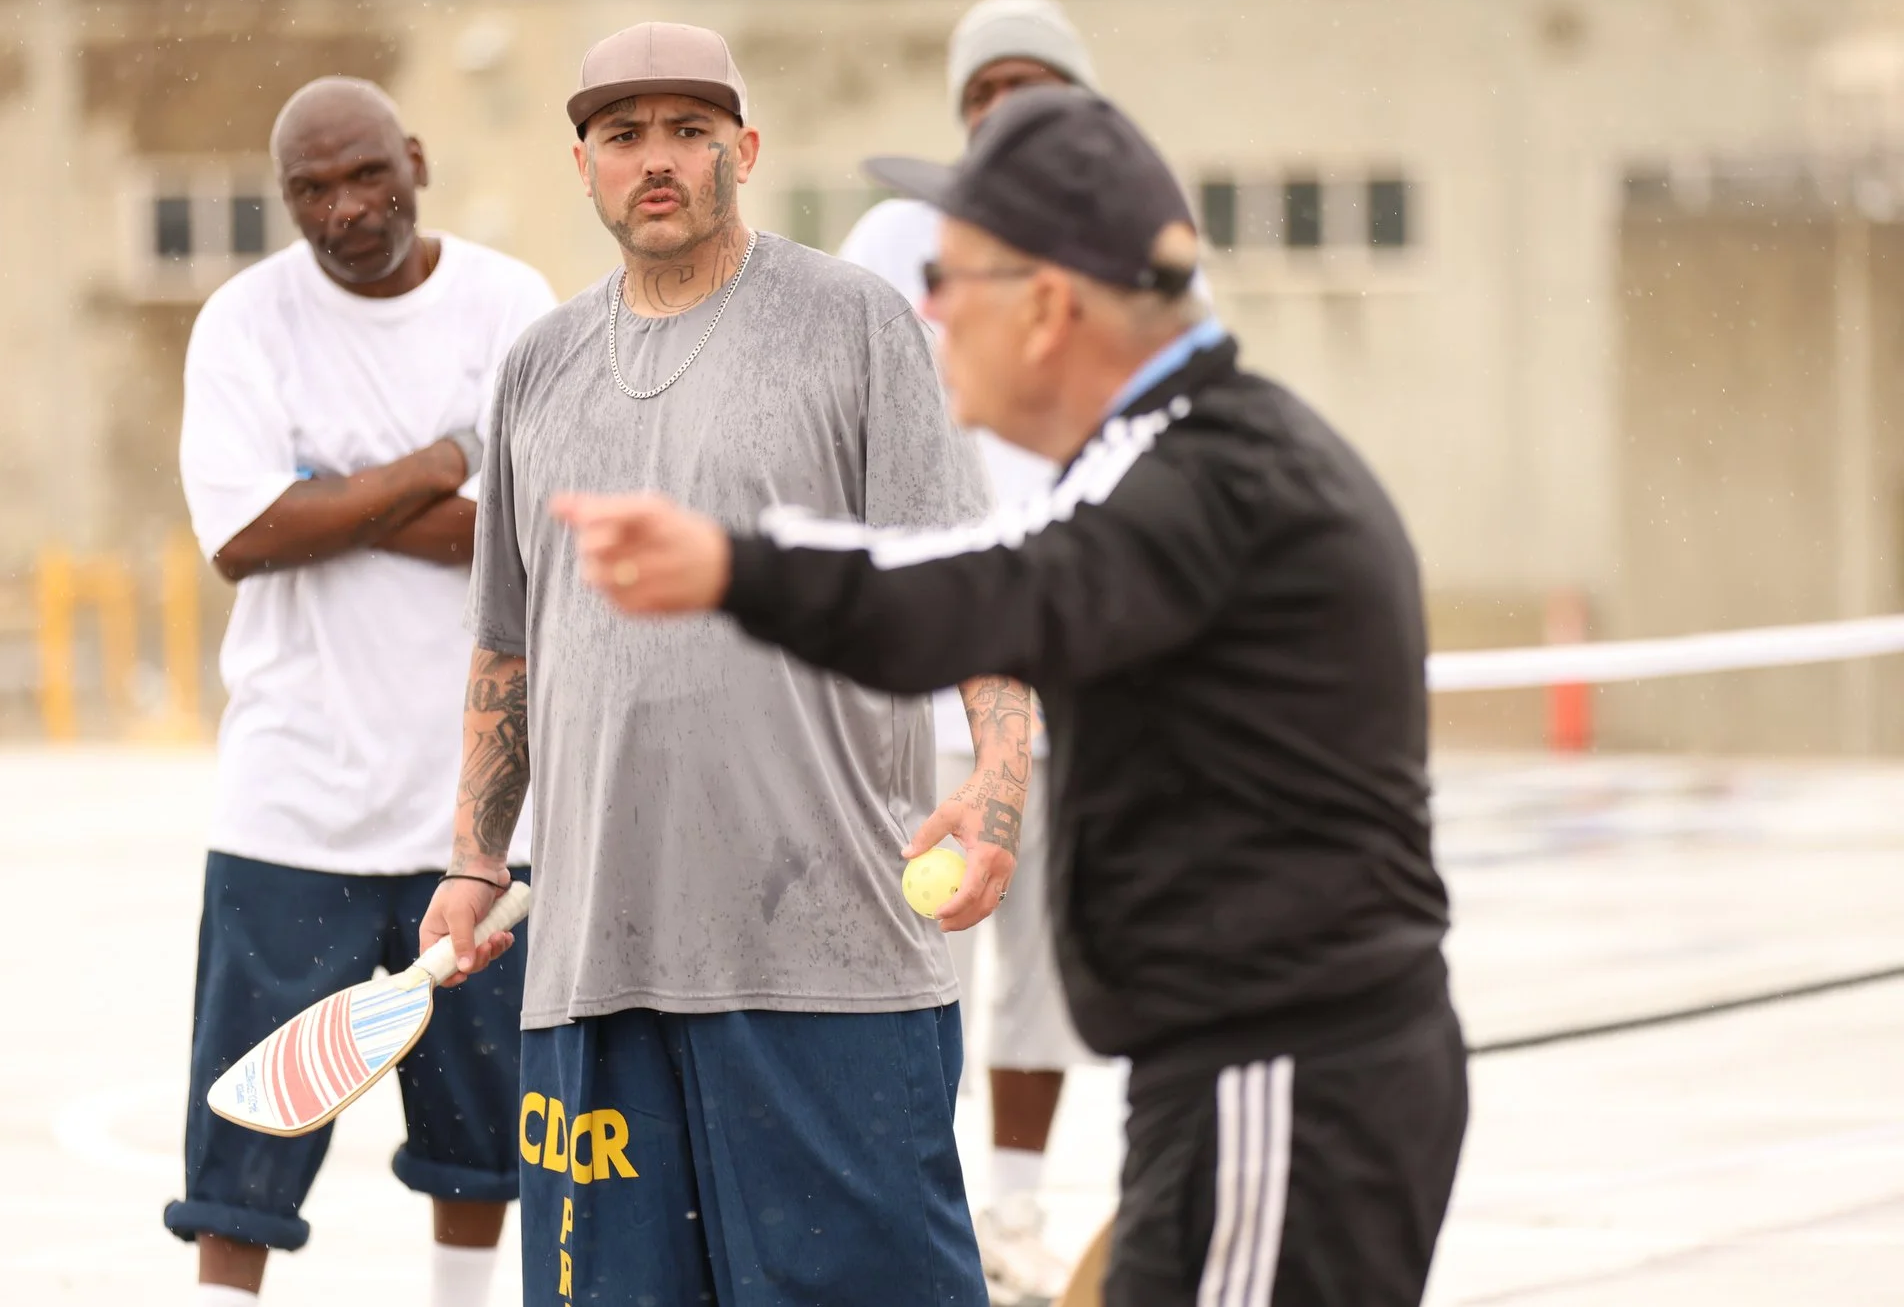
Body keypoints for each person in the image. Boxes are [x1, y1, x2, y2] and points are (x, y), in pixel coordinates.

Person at [555, 86, 1469, 1307]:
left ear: (1046, 308)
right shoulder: (1180, 450)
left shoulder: (1210, 477)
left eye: (954, 278)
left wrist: (731, 565)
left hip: (1282, 1074)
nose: (927, 309)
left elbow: (987, 590)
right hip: (1242, 1075)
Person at [418, 21, 1029, 1307]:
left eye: (690, 131)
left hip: (828, 963)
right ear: (579, 162)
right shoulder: (535, 367)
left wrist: (998, 783)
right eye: (623, 133)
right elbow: (506, 645)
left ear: (742, 150)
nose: (658, 160)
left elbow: (976, 587)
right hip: (592, 969)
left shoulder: (851, 323)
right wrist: (477, 859)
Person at [168, 77, 555, 1307]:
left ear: (418, 160)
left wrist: (323, 497)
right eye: (311, 190)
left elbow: (524, 538)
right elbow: (242, 539)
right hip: (292, 798)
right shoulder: (242, 320)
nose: (344, 209)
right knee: (244, 1127)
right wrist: (445, 462)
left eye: (365, 175)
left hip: (476, 806)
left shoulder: (513, 309)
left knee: (483, 1128)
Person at [836, 0, 1103, 1303]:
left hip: (1074, 675)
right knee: (917, 962)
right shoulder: (898, 238)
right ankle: (916, 1202)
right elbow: (834, 412)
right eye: (986, 84)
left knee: (1044, 975)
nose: (1007, 102)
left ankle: (1014, 1209)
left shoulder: (1135, 250)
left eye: (1035, 82)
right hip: (924, 682)